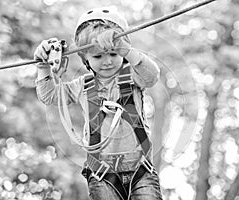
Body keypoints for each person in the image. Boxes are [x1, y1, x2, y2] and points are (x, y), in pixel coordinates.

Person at [34, 6, 162, 200]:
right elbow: (50, 95)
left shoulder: (133, 77)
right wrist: (43, 67)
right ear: (85, 57)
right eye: (98, 56)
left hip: (140, 168)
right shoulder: (82, 86)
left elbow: (151, 77)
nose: (107, 62)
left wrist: (126, 50)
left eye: (113, 54)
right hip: (102, 174)